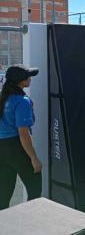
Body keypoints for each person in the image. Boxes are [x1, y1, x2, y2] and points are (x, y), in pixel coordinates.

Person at [0, 65, 42, 210]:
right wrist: (34, 158)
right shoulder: (22, 101)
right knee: (35, 190)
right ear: (21, 81)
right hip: (15, 147)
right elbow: (23, 133)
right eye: (28, 76)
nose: (30, 78)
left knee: (3, 195)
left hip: (1, 149)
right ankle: (32, 224)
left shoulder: (3, 98)